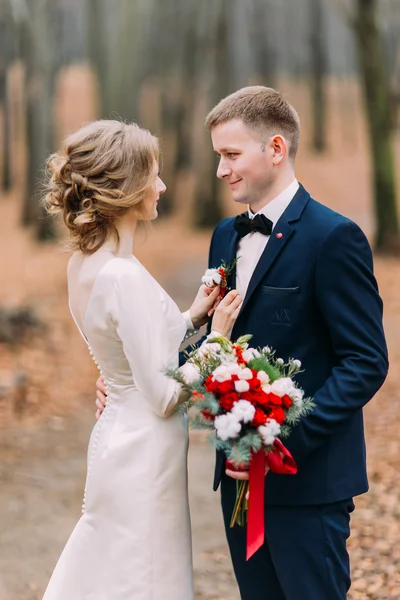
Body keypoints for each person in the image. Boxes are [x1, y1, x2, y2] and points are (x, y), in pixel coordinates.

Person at [96, 87, 388, 600]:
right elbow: (216, 341)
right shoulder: (225, 236)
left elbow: (365, 361)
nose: (220, 170)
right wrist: (133, 378)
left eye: (231, 155)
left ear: (275, 148)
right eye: (218, 156)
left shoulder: (333, 237)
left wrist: (285, 437)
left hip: (306, 483)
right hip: (236, 478)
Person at [42, 119, 242, 600]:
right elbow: (165, 396)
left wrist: (193, 315)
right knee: (145, 576)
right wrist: (216, 338)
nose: (162, 186)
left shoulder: (87, 264)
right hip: (145, 451)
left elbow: (133, 343)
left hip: (116, 436)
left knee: (115, 568)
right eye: (154, 175)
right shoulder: (121, 276)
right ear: (127, 187)